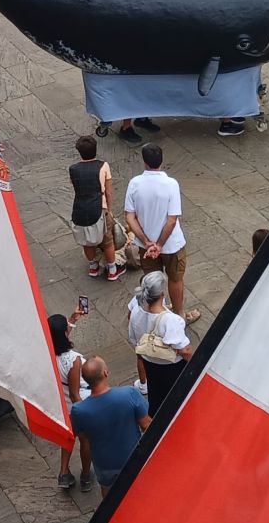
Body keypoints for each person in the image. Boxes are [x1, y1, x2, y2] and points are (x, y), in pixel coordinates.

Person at [124, 142, 189, 316]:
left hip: (146, 247)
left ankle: (156, 313)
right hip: (172, 244)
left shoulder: (134, 183)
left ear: (144, 162)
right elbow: (172, 221)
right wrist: (160, 245)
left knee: (152, 281)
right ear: (161, 160)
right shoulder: (171, 184)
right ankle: (179, 314)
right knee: (175, 279)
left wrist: (147, 242)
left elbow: (130, 217)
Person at [69, 357, 149, 489]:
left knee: (108, 492)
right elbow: (146, 425)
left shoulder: (79, 410)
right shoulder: (129, 394)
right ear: (105, 373)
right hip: (133, 456)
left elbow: (82, 436)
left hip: (104, 463)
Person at [126, 277, 194, 413]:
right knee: (179, 399)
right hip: (172, 368)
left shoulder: (135, 312)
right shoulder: (171, 320)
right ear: (162, 294)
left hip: (149, 364)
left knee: (156, 397)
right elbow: (184, 350)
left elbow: (134, 339)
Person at [68, 134, 122, 280]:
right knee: (107, 240)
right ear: (95, 149)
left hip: (79, 209)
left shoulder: (73, 169)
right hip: (99, 209)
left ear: (79, 152)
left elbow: (76, 187)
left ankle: (93, 267)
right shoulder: (103, 166)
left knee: (86, 241)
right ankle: (112, 270)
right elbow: (109, 191)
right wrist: (109, 210)